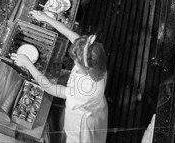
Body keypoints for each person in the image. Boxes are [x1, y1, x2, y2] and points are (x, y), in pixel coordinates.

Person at [12, 11, 108, 143]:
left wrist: (27, 64)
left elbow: (51, 88)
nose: (73, 61)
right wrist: (45, 18)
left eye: (75, 61)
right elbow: (72, 36)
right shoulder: (95, 59)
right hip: (94, 105)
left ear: (85, 68)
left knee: (71, 136)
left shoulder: (85, 89)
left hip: (81, 120)